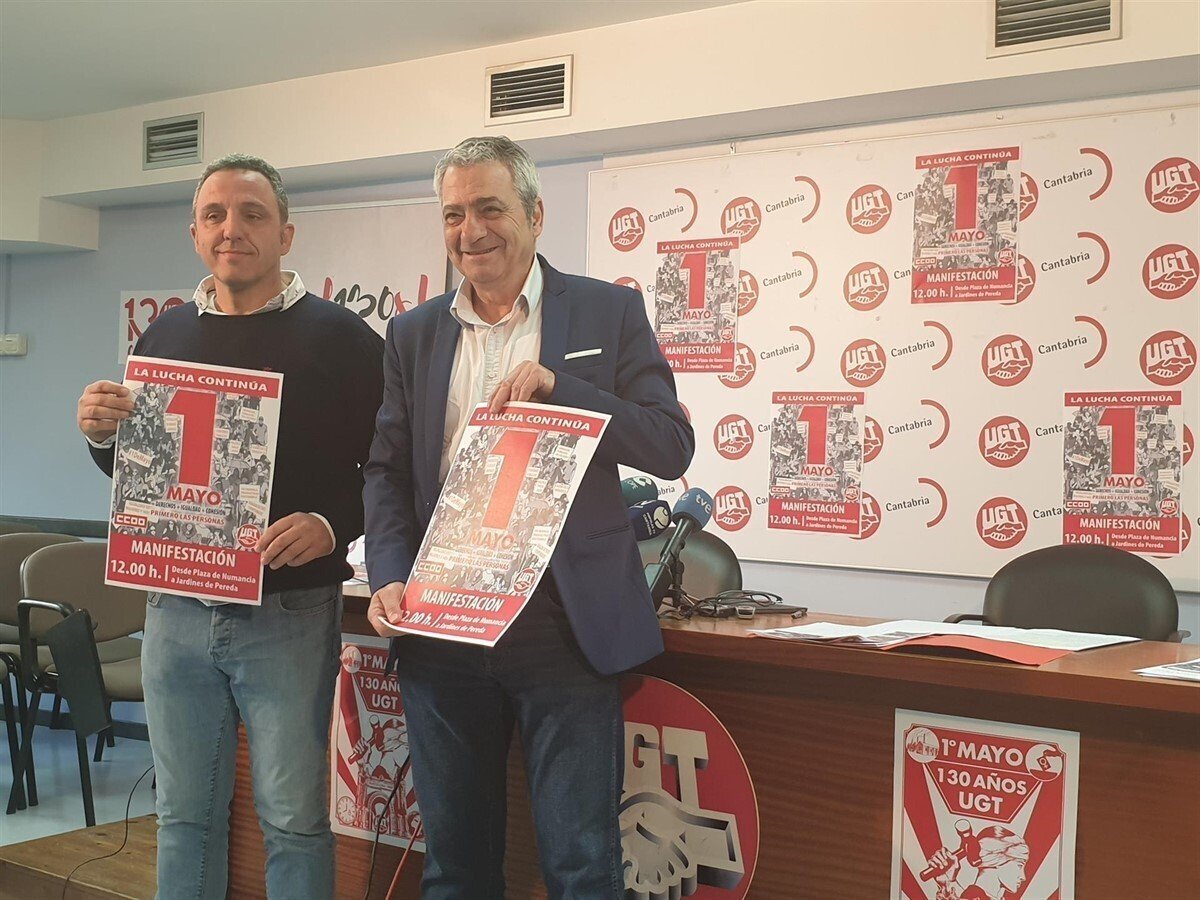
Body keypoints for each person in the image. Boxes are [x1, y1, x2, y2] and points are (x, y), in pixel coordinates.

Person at [363, 135, 693, 898]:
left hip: (562, 625)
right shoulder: (412, 333)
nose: (470, 230)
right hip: (441, 622)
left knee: (582, 868)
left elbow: (669, 443)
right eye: (453, 214)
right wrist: (389, 574)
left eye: (489, 208)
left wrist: (564, 392)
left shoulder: (609, 310)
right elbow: (386, 471)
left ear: (536, 214)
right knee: (455, 868)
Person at [76, 153, 384, 899]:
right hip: (174, 612)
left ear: (285, 233)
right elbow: (142, 480)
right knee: (182, 817)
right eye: (214, 215)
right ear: (195, 234)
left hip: (288, 613)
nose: (231, 229)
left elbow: (392, 469)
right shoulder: (163, 337)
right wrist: (100, 437)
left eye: (252, 214)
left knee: (293, 820)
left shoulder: (345, 340)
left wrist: (332, 524)